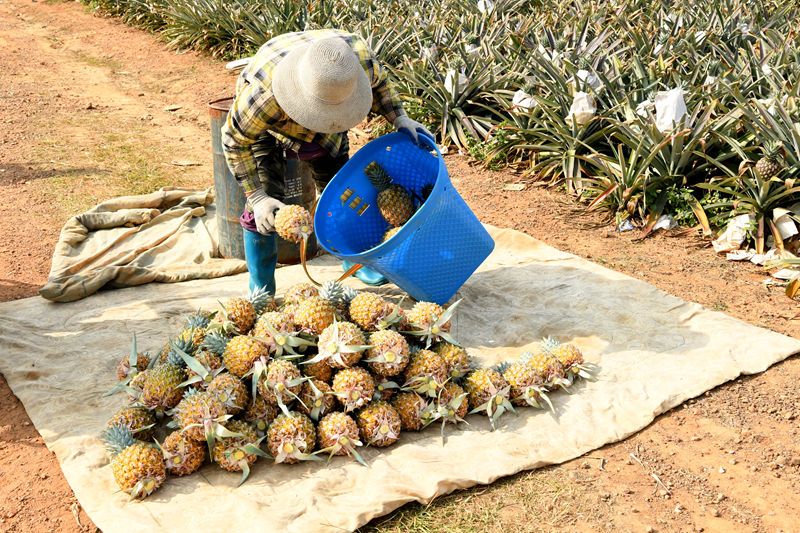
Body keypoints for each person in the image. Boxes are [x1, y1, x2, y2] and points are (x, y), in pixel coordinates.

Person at [221, 29, 432, 295]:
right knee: (264, 209)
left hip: (326, 131)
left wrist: (399, 117)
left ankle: (352, 258)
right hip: (268, 129)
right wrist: (257, 196)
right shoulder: (264, 97)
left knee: (341, 193)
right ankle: (261, 288)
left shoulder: (357, 61)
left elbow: (381, 85)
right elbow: (233, 140)